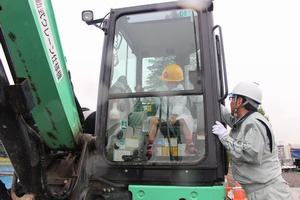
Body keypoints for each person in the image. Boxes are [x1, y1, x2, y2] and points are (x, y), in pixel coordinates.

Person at [212, 81, 293, 200]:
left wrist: (225, 138)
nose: (230, 102)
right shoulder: (245, 121)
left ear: (239, 101)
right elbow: (227, 116)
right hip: (263, 191)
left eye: (232, 98)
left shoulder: (254, 123)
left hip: (269, 194)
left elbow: (250, 154)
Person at [146, 64, 198, 157]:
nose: (167, 84)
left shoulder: (181, 92)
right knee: (153, 120)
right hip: (164, 114)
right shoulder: (161, 90)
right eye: (166, 81)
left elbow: (179, 105)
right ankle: (151, 145)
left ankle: (190, 144)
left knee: (185, 120)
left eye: (170, 82)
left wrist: (174, 116)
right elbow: (156, 99)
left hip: (179, 114)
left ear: (176, 81)